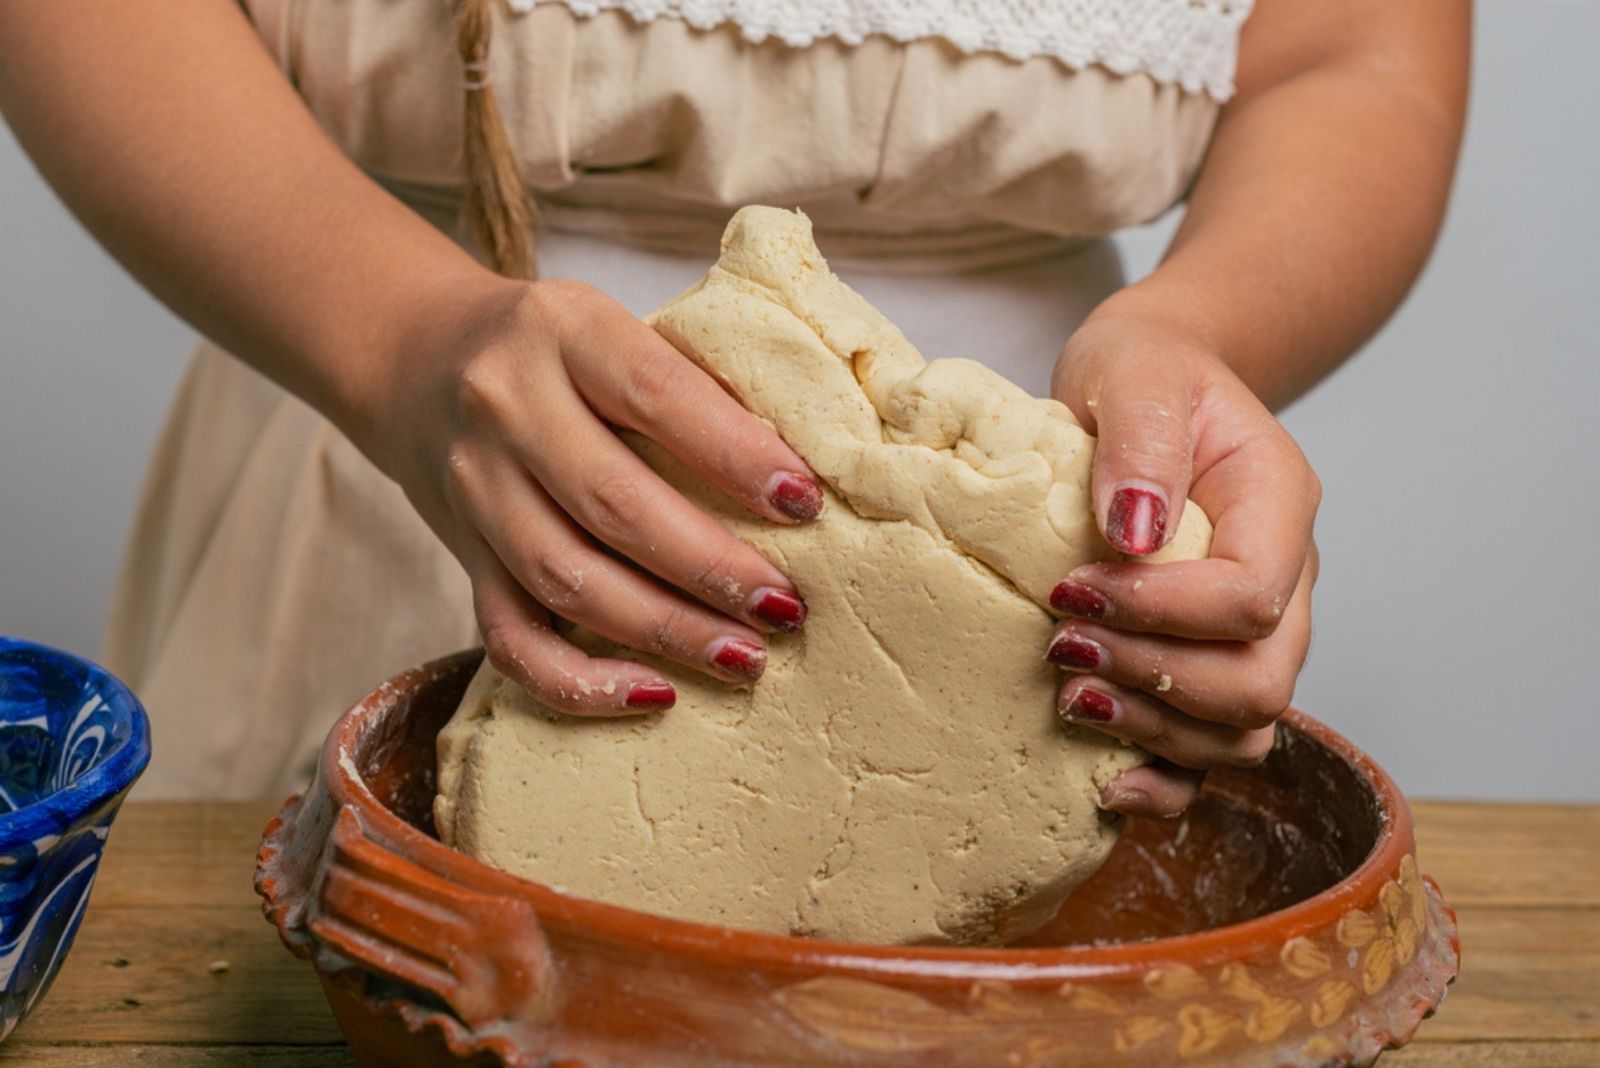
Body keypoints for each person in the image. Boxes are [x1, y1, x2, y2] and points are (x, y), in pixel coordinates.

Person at [0, 1, 1467, 808]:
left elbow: (1351, 52)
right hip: (399, 491)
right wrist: (399, 341)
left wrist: (1194, 335)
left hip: (1039, 588)